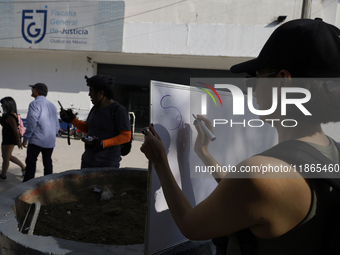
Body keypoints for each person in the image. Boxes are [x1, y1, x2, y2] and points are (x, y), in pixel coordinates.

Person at [141, 18, 340, 255]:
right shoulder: (333, 152)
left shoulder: (260, 175)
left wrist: (161, 161)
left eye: (257, 77)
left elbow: (189, 224)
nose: (253, 89)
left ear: (283, 81)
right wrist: (204, 154)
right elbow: (248, 198)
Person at [60, 74, 131, 168]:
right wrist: (72, 120)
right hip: (87, 161)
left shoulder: (118, 110)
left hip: (107, 164)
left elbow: (126, 136)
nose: (89, 94)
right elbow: (88, 128)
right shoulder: (95, 108)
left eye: (91, 91)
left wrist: (102, 143)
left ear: (101, 93)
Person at [23, 83, 59, 182]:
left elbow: (31, 123)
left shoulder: (34, 104)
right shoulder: (52, 105)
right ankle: (48, 184)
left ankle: (27, 185)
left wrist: (26, 138)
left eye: (33, 89)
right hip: (49, 140)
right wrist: (53, 135)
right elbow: (57, 124)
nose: (32, 91)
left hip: (36, 140)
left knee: (31, 163)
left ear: (37, 91)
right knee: (47, 163)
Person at [0, 97, 25, 180]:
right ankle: (23, 167)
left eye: (3, 104)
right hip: (7, 138)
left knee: (6, 157)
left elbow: (15, 130)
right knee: (7, 156)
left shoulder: (10, 116)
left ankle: (3, 175)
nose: (2, 106)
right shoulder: (8, 115)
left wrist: (18, 142)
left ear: (8, 105)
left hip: (10, 139)